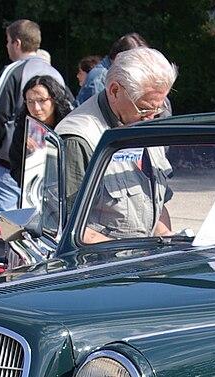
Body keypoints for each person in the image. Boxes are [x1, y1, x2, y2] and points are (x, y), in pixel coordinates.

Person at [55, 47, 177, 241]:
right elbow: (67, 227)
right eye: (144, 109)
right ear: (114, 91)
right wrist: (131, 255)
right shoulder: (78, 140)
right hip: (102, 258)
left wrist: (166, 238)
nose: (151, 118)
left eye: (159, 108)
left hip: (145, 255)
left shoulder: (146, 120)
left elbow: (158, 205)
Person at [0, 19, 64, 221]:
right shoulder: (55, 73)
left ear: (16, 43)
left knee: (1, 225)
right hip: (48, 168)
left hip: (9, 165)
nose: (7, 46)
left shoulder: (12, 71)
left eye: (8, 41)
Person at [8, 74, 73, 187]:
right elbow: (16, 168)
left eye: (41, 100)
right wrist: (32, 159)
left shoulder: (69, 125)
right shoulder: (24, 127)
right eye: (30, 101)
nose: (36, 108)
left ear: (54, 99)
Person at [74, 32, 149, 106]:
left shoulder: (113, 74)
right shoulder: (99, 79)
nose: (137, 68)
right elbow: (98, 111)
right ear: (118, 57)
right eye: (133, 62)